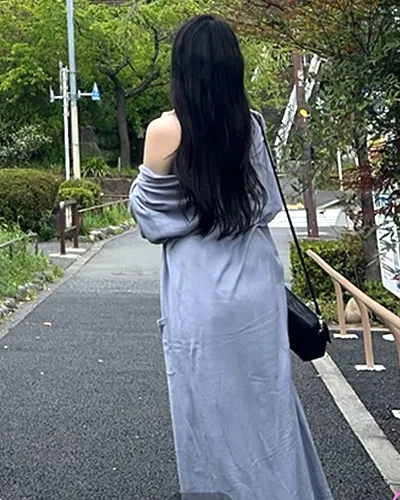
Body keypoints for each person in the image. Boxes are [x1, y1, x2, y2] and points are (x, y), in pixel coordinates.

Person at [129, 14, 333, 500]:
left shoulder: (164, 131)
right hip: (256, 288)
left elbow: (151, 219)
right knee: (268, 407)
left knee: (208, 416)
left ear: (181, 68)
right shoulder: (252, 126)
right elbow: (265, 206)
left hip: (201, 293)